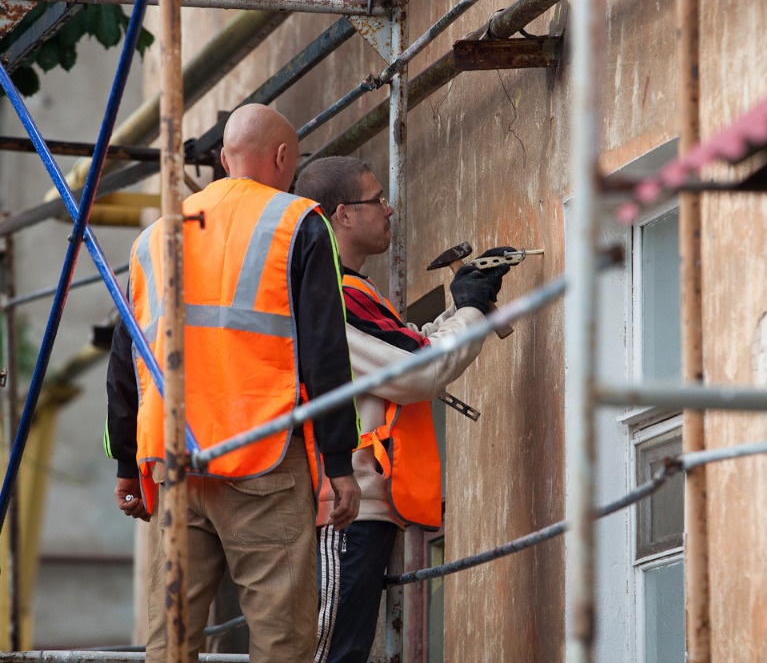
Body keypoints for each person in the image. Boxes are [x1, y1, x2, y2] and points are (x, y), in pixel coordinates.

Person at [103, 104, 362, 662]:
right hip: (263, 458)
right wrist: (339, 462)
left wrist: (127, 462)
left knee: (171, 642)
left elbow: (126, 360)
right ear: (282, 157)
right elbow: (324, 350)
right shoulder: (298, 222)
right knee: (281, 639)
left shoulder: (154, 238)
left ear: (223, 159)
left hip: (176, 463)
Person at [294, 156, 513, 663]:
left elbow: (410, 346)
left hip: (365, 506)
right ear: (343, 214)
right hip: (342, 508)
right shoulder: (331, 298)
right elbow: (417, 373)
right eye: (377, 199)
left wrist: (465, 303)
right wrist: (472, 310)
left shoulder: (354, 292)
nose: (389, 209)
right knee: (331, 654)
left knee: (345, 650)